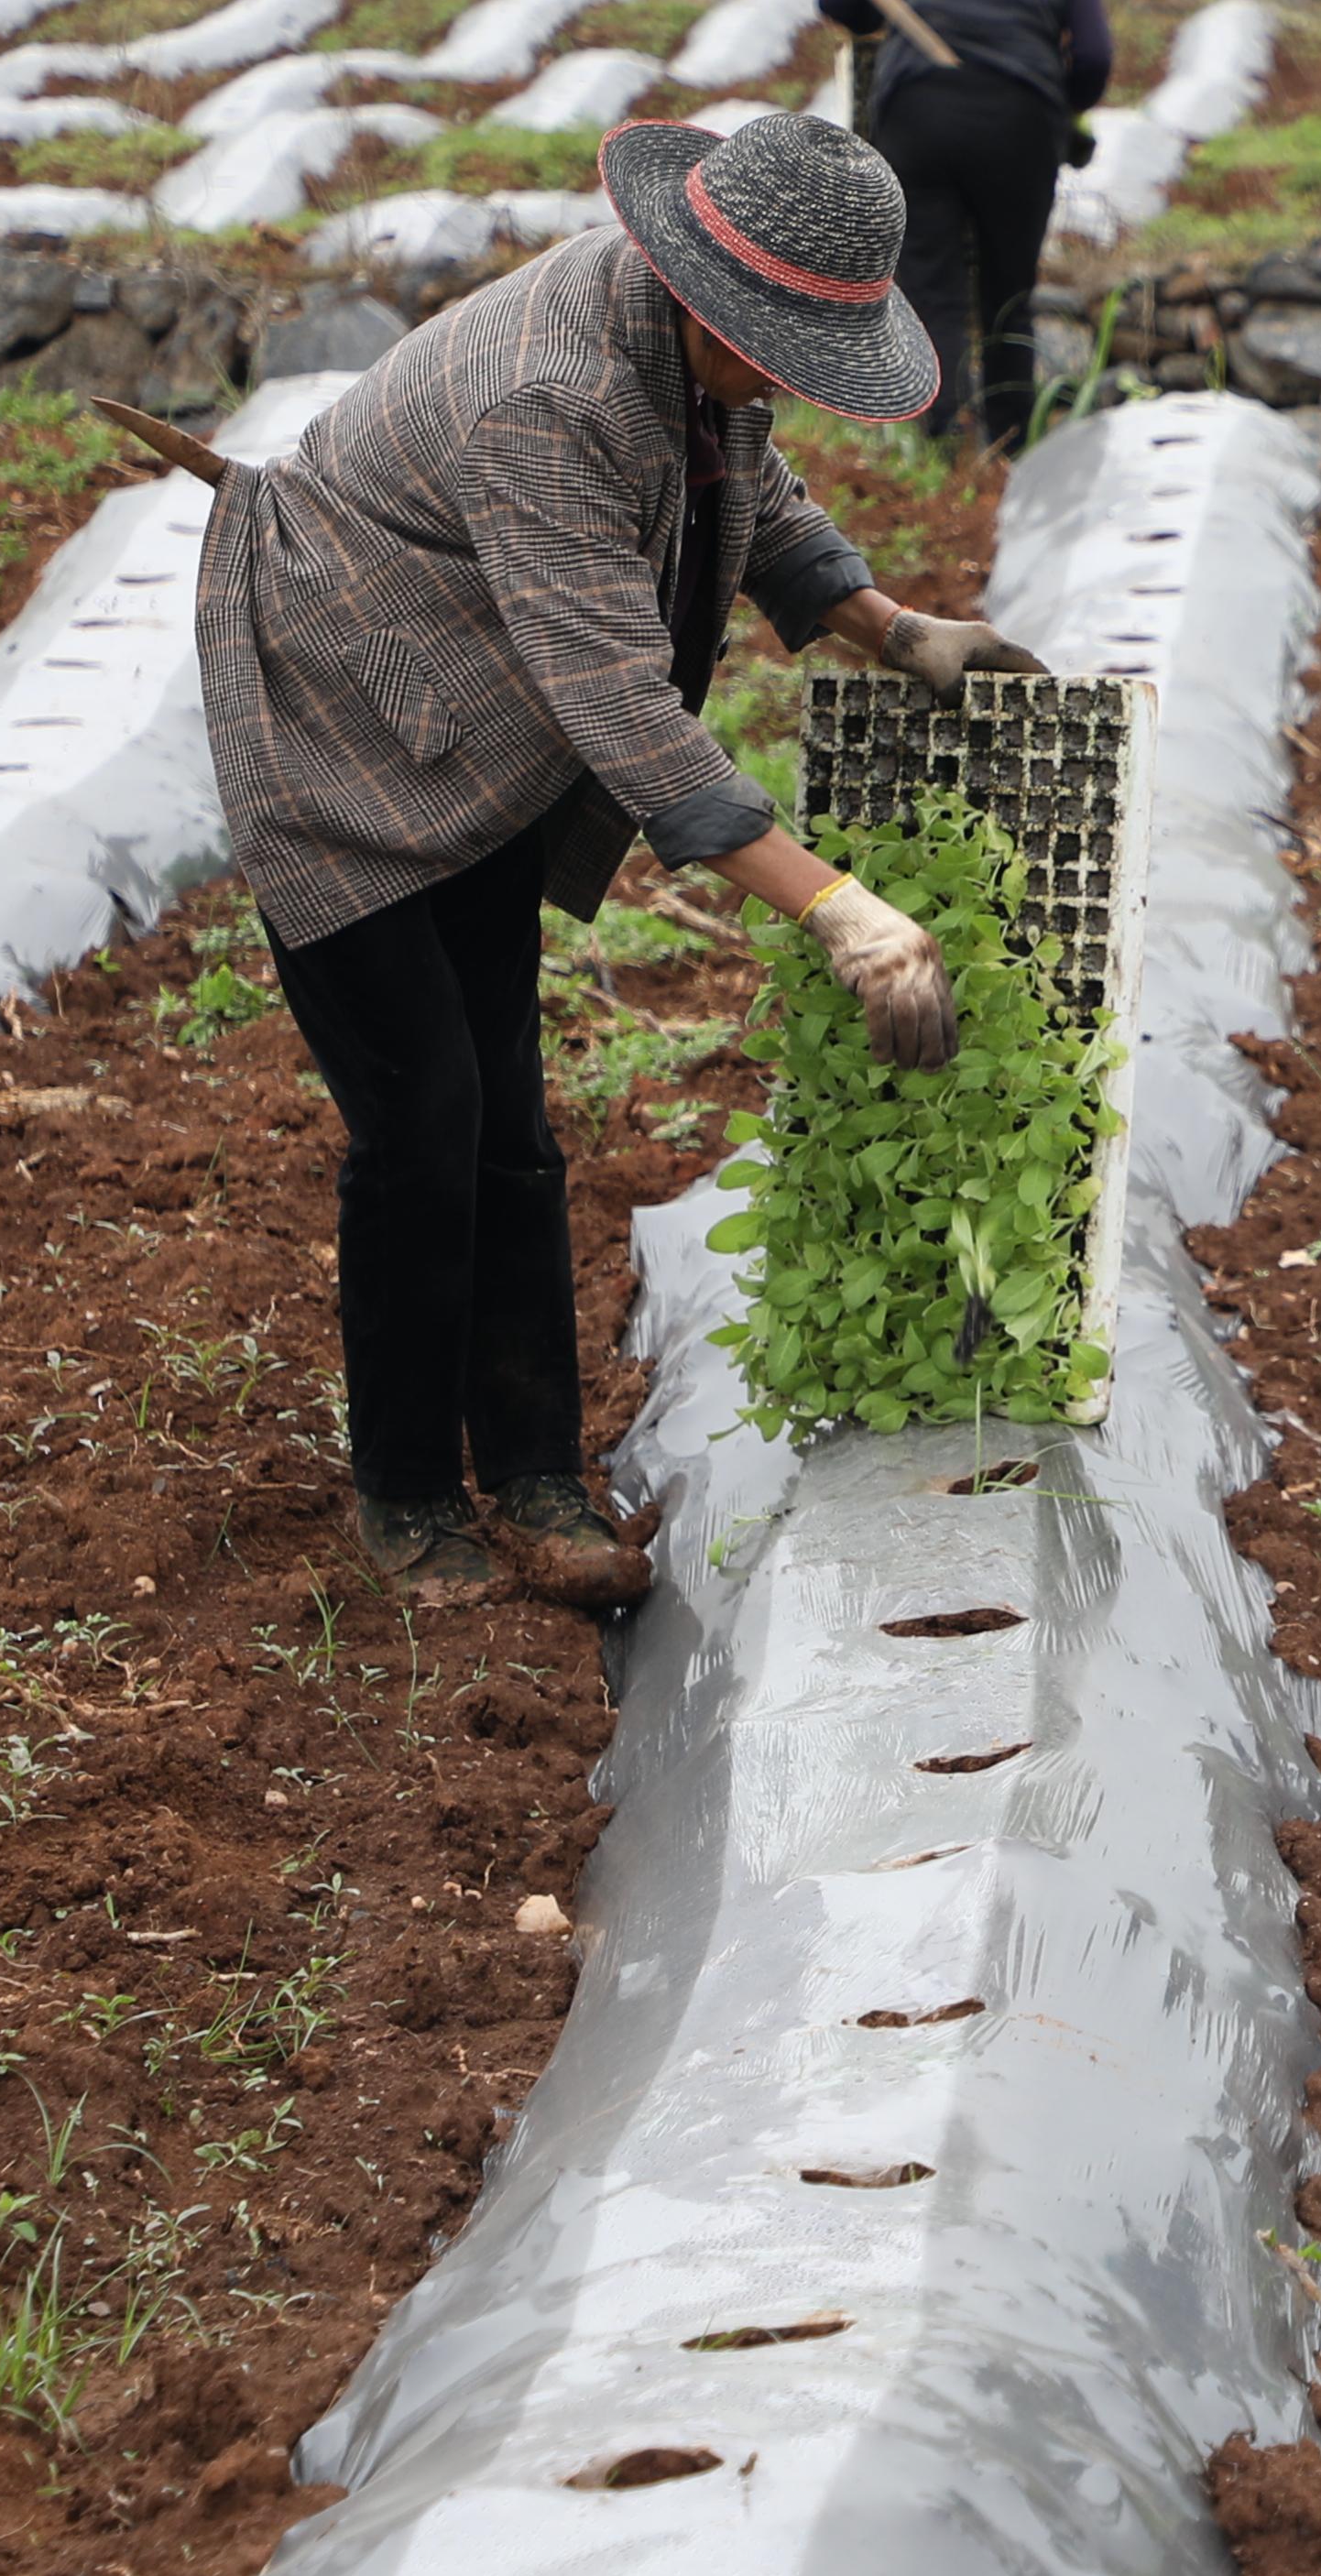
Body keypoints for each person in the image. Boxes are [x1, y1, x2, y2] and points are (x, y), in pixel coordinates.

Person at [195, 106, 1048, 1611]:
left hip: (468, 721)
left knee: (509, 1118)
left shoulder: (700, 357)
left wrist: (895, 628)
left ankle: (532, 1470)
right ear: (701, 293)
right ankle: (404, 1493)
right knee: (422, 1116)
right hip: (338, 711)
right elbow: (615, 703)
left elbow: (756, 503)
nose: (785, 385)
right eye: (774, 353)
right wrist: (846, 915)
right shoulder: (556, 398)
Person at [823, 0, 1122, 454]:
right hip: (1017, 127)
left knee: (930, 281)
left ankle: (938, 438)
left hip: (916, 114)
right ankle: (1011, 442)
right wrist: (1061, 100)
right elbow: (1095, 58)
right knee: (1009, 287)